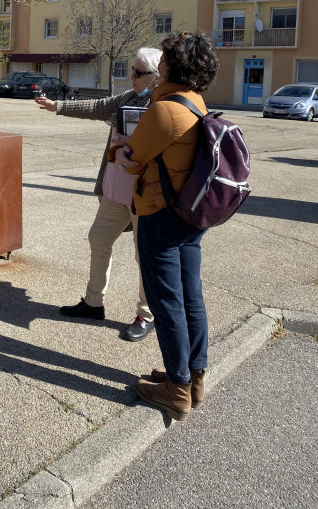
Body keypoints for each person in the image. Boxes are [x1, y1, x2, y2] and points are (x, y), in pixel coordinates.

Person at [115, 31, 219, 421]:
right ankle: (194, 377)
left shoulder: (164, 110)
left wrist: (120, 153)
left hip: (160, 214)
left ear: (173, 65)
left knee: (166, 302)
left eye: (164, 58)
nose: (159, 64)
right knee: (191, 297)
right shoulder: (196, 102)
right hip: (190, 213)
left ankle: (176, 390)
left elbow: (131, 158)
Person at [35, 48, 162, 341]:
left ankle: (147, 315)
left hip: (145, 196)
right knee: (99, 239)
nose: (132, 76)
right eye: (132, 70)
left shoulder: (163, 104)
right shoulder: (128, 98)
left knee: (145, 256)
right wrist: (58, 106)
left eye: (139, 72)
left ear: (156, 77)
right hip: (115, 191)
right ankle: (94, 303)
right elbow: (99, 106)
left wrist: (139, 143)